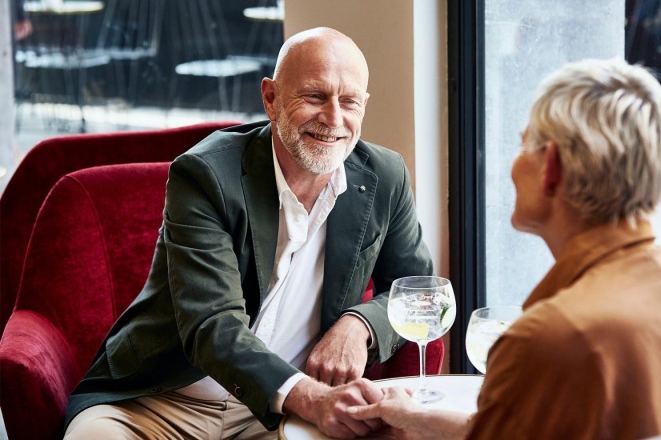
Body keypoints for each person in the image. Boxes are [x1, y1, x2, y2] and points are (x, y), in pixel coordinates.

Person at [349, 58, 661, 439]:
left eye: (524, 146)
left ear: (552, 168)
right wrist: (414, 417)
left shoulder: (549, 341)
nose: (514, 163)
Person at [64, 27, 434, 439]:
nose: (333, 118)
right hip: (159, 402)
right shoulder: (207, 175)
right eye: (314, 96)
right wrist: (311, 397)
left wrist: (359, 324)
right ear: (271, 98)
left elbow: (418, 291)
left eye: (349, 101)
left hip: (284, 414)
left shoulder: (385, 175)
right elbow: (213, 325)